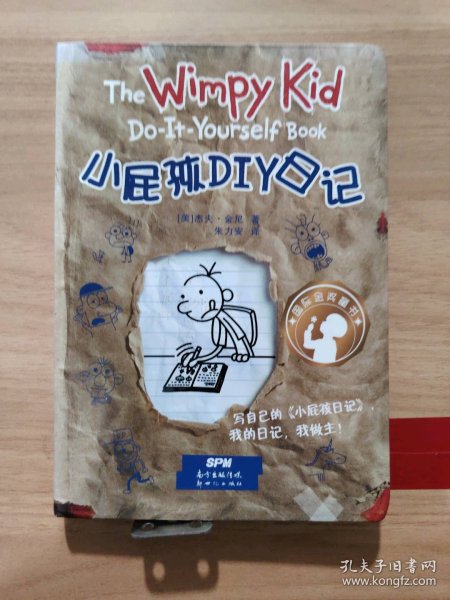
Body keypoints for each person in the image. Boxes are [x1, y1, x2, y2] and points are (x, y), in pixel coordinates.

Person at [177, 263, 257, 366]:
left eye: (201, 292)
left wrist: (243, 352)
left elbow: (237, 333)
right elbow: (218, 348)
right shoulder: (218, 318)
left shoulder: (222, 316)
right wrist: (198, 359)